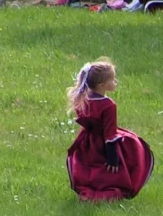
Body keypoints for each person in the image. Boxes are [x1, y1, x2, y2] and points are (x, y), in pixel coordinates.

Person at [66, 58, 154, 201]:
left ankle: (89, 191)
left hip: (87, 141)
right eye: (112, 80)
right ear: (102, 85)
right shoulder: (108, 105)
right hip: (104, 144)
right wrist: (113, 158)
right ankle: (104, 195)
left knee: (91, 166)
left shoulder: (83, 99)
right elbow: (110, 134)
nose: (116, 82)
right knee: (132, 150)